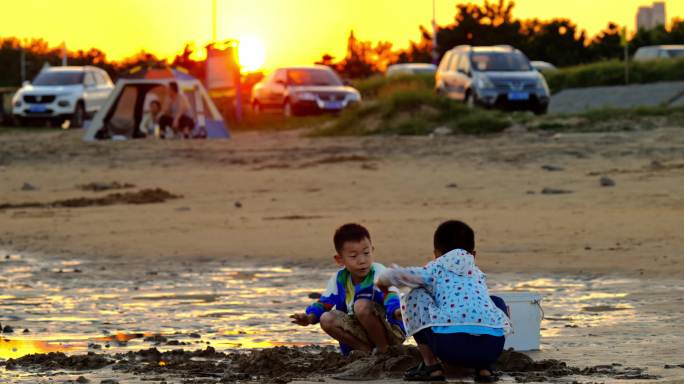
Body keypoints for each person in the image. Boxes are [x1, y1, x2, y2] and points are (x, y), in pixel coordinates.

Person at [378, 220, 511, 382]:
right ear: (473, 255)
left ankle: (431, 366)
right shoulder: (477, 273)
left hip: (450, 347)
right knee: (496, 301)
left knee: (415, 295)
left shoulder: (435, 268)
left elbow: (396, 275)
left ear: (436, 254)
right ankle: (484, 369)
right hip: (491, 349)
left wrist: (381, 283)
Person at [290, 223, 405, 355]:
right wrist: (309, 317)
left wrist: (396, 310)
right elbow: (324, 303)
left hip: (390, 331)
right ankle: (365, 350)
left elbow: (389, 294)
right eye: (353, 256)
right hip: (360, 332)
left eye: (366, 253)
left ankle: (384, 350)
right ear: (340, 259)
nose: (362, 260)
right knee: (326, 318)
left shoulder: (379, 272)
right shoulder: (339, 279)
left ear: (372, 250)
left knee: (361, 305)